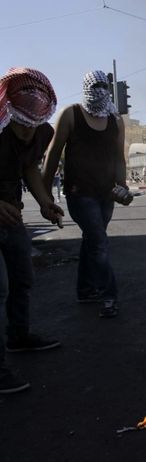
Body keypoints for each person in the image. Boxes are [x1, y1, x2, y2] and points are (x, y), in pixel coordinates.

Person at [42, 70, 129, 319]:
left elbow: (119, 157)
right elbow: (53, 153)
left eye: (104, 85)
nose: (100, 89)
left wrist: (122, 186)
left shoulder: (115, 119)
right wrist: (45, 197)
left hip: (106, 193)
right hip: (79, 193)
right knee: (99, 241)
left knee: (92, 241)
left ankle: (85, 289)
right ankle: (109, 294)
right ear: (86, 88)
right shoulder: (71, 114)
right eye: (95, 85)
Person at [0, 67, 63, 394]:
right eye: (21, 124)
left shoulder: (43, 132)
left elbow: (29, 167)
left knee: (22, 278)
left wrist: (44, 201)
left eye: (33, 125)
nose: (26, 133)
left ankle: (18, 336)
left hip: (12, 217)